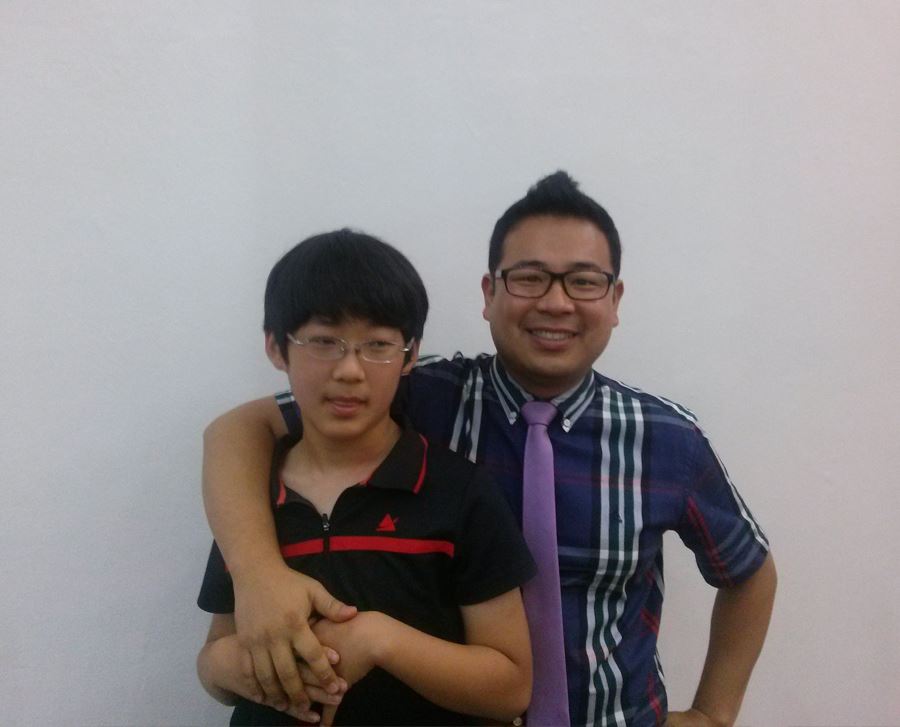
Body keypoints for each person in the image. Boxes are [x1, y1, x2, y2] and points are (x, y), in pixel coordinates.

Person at [202, 173, 777, 727]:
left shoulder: (665, 438)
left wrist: (714, 713)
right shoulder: (419, 393)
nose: (556, 303)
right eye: (529, 278)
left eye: (583, 281)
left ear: (615, 298)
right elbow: (237, 432)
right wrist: (257, 576)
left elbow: (748, 572)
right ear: (489, 292)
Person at [196, 230, 535, 725]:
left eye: (377, 344)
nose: (350, 370)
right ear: (276, 347)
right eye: (323, 342)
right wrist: (237, 665)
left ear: (410, 355)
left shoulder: (458, 490)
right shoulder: (249, 500)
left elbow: (510, 687)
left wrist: (380, 640)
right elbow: (213, 662)